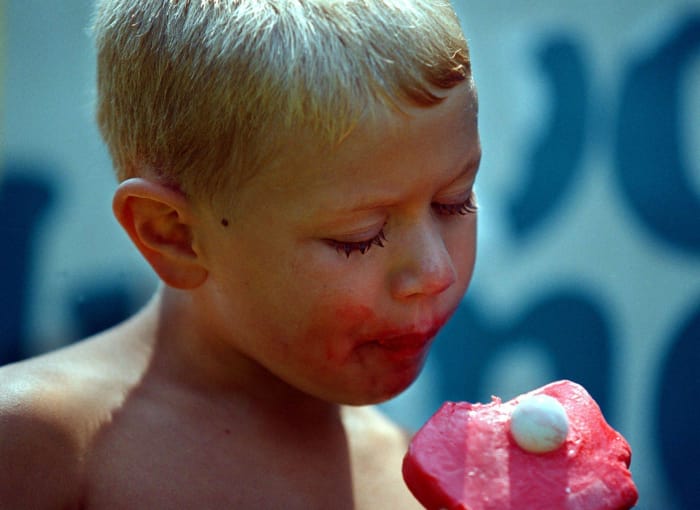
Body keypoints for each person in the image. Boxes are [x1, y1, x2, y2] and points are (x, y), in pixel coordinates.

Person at [0, 0, 481, 507]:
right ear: (173, 234)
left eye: (456, 200)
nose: (436, 272)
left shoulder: (421, 483)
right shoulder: (39, 448)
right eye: (358, 236)